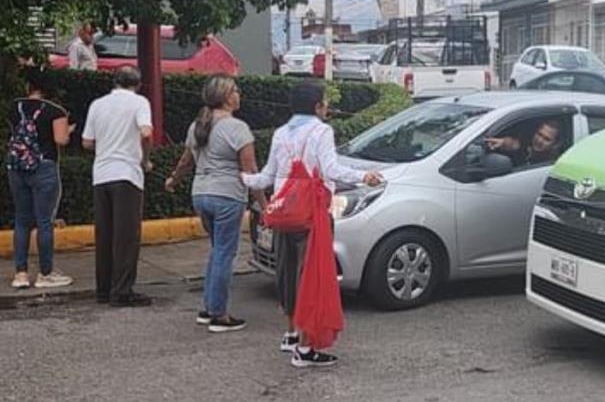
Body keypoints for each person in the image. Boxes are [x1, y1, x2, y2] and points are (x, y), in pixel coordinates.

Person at [241, 81, 382, 368]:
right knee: (313, 278)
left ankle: (292, 333)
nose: (327, 107)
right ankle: (306, 349)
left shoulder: (281, 133)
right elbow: (331, 170)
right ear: (317, 106)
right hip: (312, 214)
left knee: (288, 274)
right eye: (325, 102)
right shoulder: (321, 131)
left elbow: (267, 176)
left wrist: (243, 179)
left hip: (284, 213)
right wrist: (363, 176)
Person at [165, 75, 266, 333]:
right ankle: (219, 314)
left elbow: (186, 160)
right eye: (235, 90)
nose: (239, 94)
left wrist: (173, 180)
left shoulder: (197, 125)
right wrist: (264, 205)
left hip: (200, 194)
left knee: (217, 250)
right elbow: (250, 169)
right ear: (225, 97)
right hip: (227, 196)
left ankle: (208, 308)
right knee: (224, 253)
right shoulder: (237, 128)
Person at [81, 66, 153, 307]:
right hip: (127, 174)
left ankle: (103, 289)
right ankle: (122, 291)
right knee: (126, 236)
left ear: (114, 82)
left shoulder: (97, 104)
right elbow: (145, 132)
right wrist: (145, 159)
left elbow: (87, 142)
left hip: (101, 174)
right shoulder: (139, 102)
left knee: (105, 234)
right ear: (138, 84)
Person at [6, 69, 75, 289]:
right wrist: (69, 130)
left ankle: (20, 274)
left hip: (17, 167)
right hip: (44, 166)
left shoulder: (15, 107)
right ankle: (45, 273)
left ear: (29, 87)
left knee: (22, 220)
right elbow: (61, 140)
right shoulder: (55, 110)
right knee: (44, 221)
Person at [484, 119, 563, 166]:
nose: (539, 140)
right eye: (539, 134)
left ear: (555, 145)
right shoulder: (527, 147)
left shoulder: (553, 163)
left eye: (547, 139)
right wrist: (503, 142)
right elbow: (514, 144)